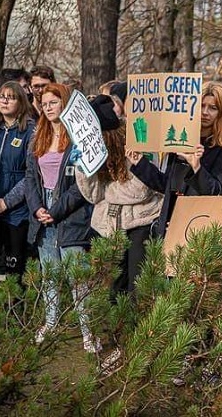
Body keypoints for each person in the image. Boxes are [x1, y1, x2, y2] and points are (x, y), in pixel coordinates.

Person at [24, 83, 99, 352]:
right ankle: (51, 321)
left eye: (53, 102)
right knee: (50, 274)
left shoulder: (79, 137)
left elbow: (83, 184)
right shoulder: (38, 136)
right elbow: (30, 176)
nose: (47, 107)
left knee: (77, 276)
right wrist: (37, 208)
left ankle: (88, 330)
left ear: (64, 103)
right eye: (44, 103)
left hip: (71, 215)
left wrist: (56, 211)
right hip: (41, 212)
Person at [75, 95, 163, 299]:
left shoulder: (137, 138)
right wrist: (83, 169)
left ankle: (136, 330)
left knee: (136, 287)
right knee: (110, 290)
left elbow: (139, 191)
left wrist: (107, 191)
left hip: (139, 223)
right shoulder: (95, 150)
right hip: (107, 227)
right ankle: (112, 330)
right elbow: (93, 195)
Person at [128, 81, 222, 237]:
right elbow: (166, 185)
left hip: (199, 228)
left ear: (221, 112)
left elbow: (215, 192)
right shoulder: (181, 139)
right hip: (170, 223)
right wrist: (140, 162)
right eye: (201, 105)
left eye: (213, 108)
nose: (205, 112)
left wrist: (196, 167)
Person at [0, 82, 36, 282]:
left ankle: (15, 312)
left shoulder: (30, 131)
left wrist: (6, 202)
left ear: (21, 102)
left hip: (17, 213)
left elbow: (31, 175)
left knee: (14, 274)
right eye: (2, 96)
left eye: (11, 97)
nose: (4, 100)